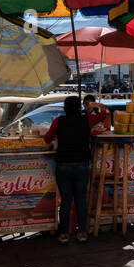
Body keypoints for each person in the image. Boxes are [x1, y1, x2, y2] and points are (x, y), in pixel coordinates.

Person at [45, 96, 93, 244]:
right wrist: (91, 108)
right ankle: (82, 233)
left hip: (64, 166)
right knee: (80, 200)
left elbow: (47, 138)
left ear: (65, 108)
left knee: (65, 201)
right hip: (82, 165)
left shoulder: (59, 121)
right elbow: (104, 114)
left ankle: (64, 234)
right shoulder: (86, 120)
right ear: (79, 107)